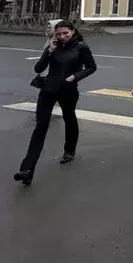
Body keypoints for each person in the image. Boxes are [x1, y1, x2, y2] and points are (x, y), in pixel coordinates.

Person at [14, 20, 98, 186]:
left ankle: (69, 150)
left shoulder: (81, 47)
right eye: (59, 34)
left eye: (65, 33)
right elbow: (38, 69)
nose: (62, 36)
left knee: (69, 117)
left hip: (68, 89)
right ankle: (27, 169)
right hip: (48, 90)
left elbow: (91, 67)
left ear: (73, 31)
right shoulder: (53, 46)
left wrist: (75, 76)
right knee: (40, 126)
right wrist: (49, 51)